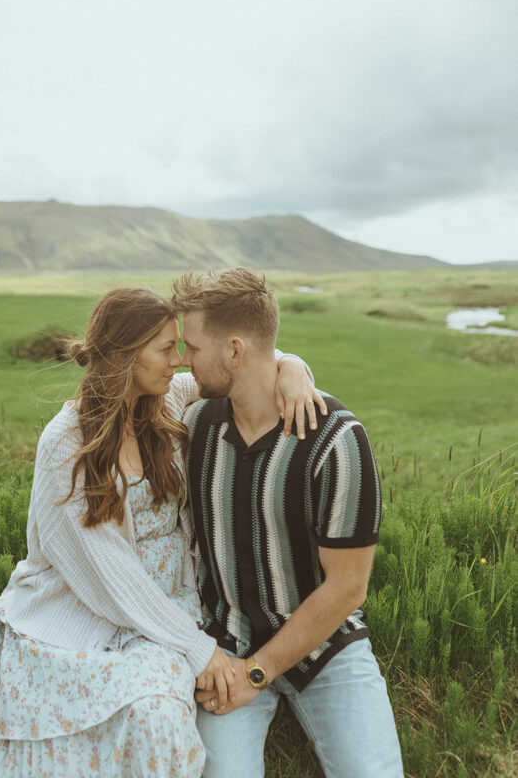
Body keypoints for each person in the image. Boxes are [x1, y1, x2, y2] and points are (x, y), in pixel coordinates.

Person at [0, 286, 320, 778]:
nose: (181, 362)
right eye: (167, 350)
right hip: (83, 607)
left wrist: (293, 366)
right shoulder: (66, 444)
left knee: (158, 716)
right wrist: (199, 651)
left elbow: (248, 365)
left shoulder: (165, 401)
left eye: (179, 347)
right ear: (127, 357)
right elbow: (109, 573)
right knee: (134, 709)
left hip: (169, 608)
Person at [171, 269, 404, 778]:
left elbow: (347, 589)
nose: (181, 360)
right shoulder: (193, 426)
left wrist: (257, 673)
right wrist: (290, 361)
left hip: (327, 650)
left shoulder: (337, 440)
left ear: (234, 352)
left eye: (191, 347)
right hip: (225, 647)